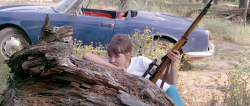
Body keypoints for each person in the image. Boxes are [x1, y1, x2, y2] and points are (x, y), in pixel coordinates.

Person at [83, 34, 183, 106]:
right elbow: (86, 56)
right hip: (148, 99)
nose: (112, 60)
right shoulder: (110, 64)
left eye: (117, 56)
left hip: (166, 91)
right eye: (110, 55)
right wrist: (115, 68)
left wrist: (173, 63)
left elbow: (170, 81)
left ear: (128, 55)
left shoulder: (141, 61)